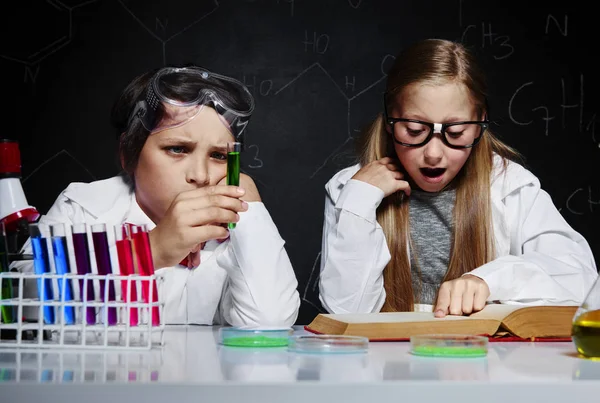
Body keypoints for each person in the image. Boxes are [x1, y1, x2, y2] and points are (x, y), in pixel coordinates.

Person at [319, 39, 597, 318]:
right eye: (414, 130)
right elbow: (347, 312)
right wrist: (358, 202)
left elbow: (582, 280)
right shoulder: (351, 190)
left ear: (479, 125)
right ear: (391, 121)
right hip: (384, 360)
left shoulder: (510, 186)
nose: (433, 154)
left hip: (483, 357)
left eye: (455, 132)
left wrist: (490, 280)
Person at [13, 65, 300, 327]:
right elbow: (22, 302)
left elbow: (270, 321)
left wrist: (250, 205)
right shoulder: (84, 207)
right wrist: (150, 251)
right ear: (128, 154)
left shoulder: (233, 225)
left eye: (218, 155)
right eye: (177, 149)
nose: (200, 175)